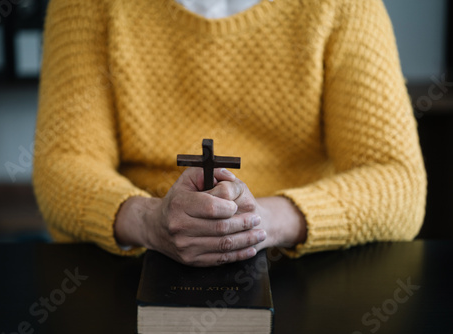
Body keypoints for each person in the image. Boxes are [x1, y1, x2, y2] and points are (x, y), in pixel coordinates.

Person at [33, 0, 426, 267]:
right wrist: (150, 221)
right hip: (135, 259)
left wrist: (261, 223)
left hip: (299, 261)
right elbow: (64, 161)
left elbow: (397, 179)